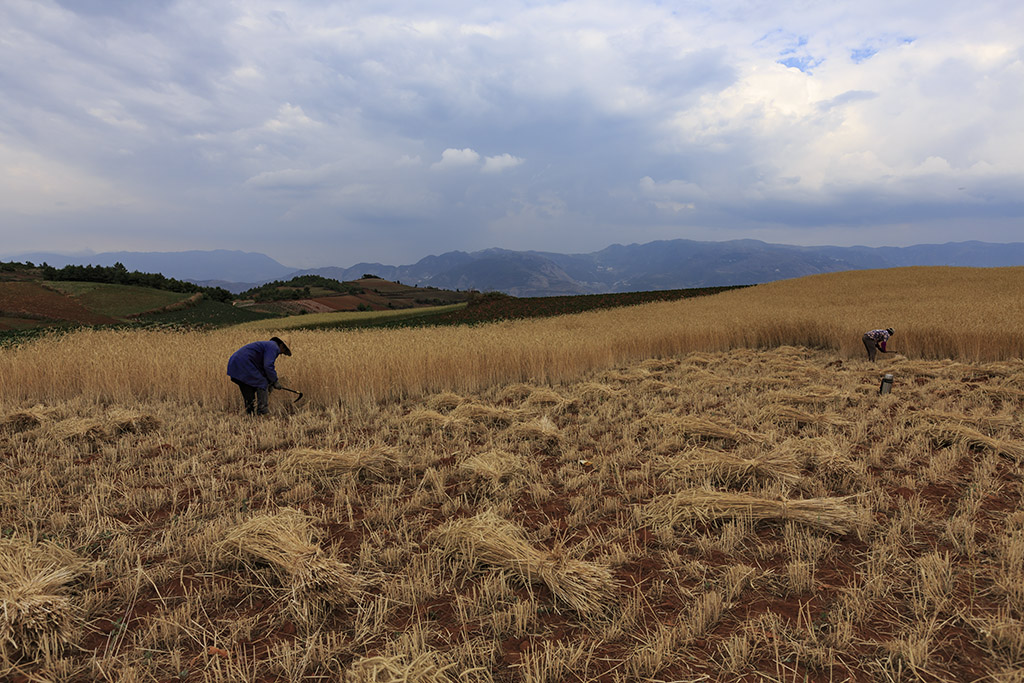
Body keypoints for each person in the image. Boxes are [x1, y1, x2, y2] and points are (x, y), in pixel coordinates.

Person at [227, 337, 291, 415]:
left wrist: (270, 380)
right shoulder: (274, 347)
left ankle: (250, 414)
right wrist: (275, 381)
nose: (281, 353)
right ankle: (262, 412)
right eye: (284, 351)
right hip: (243, 364)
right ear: (282, 345)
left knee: (249, 387)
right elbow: (268, 366)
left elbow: (262, 368)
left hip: (234, 364)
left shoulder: (267, 345)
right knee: (262, 382)